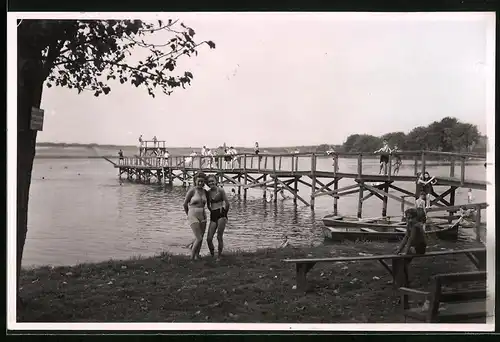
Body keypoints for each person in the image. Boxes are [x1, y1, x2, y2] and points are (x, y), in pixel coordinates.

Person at [183, 172, 209, 261]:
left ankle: (198, 255)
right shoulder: (192, 191)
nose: (200, 183)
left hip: (203, 214)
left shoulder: (205, 192)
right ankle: (192, 258)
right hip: (193, 214)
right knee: (198, 238)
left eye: (202, 181)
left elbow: (210, 203)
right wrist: (188, 215)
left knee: (201, 237)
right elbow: (185, 204)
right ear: (195, 181)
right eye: (199, 181)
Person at [206, 175, 230, 259]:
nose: (211, 183)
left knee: (219, 236)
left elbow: (227, 203)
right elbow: (208, 205)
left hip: (221, 214)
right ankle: (212, 255)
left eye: (212, 181)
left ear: (216, 181)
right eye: (209, 182)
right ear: (207, 184)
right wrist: (212, 211)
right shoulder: (208, 193)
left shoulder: (220, 190)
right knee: (209, 238)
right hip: (213, 214)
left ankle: (219, 256)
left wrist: (225, 214)